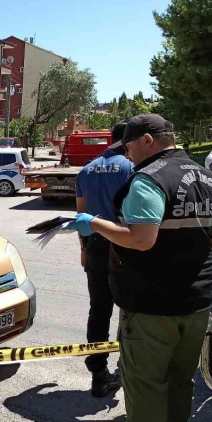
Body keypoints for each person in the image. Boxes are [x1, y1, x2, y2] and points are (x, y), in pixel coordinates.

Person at [67, 114, 212, 422]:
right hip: (198, 302)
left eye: (127, 146)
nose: (127, 154)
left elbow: (142, 239)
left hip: (152, 304)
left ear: (146, 140)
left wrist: (93, 224)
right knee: (180, 377)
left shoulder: (148, 180)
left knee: (143, 384)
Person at [74, 122, 134, 397]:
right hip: (125, 244)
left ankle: (99, 375)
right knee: (132, 309)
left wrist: (84, 249)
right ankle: (130, 369)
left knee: (99, 310)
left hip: (96, 245)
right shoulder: (131, 168)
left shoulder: (87, 170)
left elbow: (81, 218)